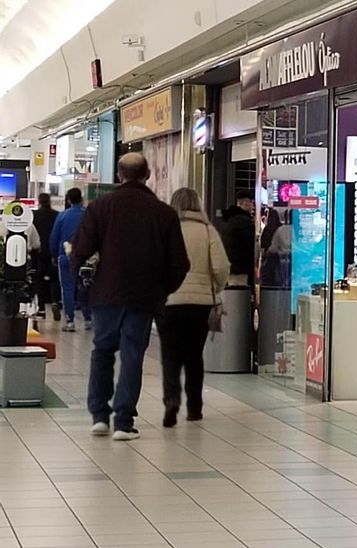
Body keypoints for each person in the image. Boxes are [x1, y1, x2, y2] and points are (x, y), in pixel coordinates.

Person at [72, 153, 189, 441]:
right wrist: (162, 290)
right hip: (143, 296)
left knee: (102, 352)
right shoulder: (164, 213)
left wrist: (86, 284)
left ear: (120, 175)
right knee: (132, 356)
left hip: (106, 295)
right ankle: (123, 422)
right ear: (147, 174)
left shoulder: (100, 207)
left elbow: (80, 251)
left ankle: (99, 416)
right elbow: (180, 264)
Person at [159, 188, 229, 427]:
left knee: (170, 356)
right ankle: (194, 408)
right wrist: (214, 288)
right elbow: (221, 266)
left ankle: (171, 400)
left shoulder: (165, 230)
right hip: (200, 303)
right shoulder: (207, 231)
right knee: (193, 357)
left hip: (169, 301)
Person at [50, 189, 88, 331]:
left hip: (65, 255)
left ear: (68, 200)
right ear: (81, 199)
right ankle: (88, 319)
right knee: (85, 286)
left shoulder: (62, 216)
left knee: (67, 287)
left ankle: (70, 320)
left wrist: (54, 255)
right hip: (86, 256)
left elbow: (54, 238)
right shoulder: (88, 215)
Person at [33, 193, 59, 319]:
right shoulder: (56, 215)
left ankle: (41, 308)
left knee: (39, 279)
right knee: (54, 278)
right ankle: (55, 302)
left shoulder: (34, 215)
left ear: (39, 201)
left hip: (39, 251)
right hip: (53, 251)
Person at [221, 190, 255, 286]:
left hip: (232, 266)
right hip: (240, 267)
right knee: (239, 294)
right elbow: (250, 244)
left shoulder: (230, 220)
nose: (253, 207)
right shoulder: (243, 221)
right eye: (252, 203)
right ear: (245, 203)